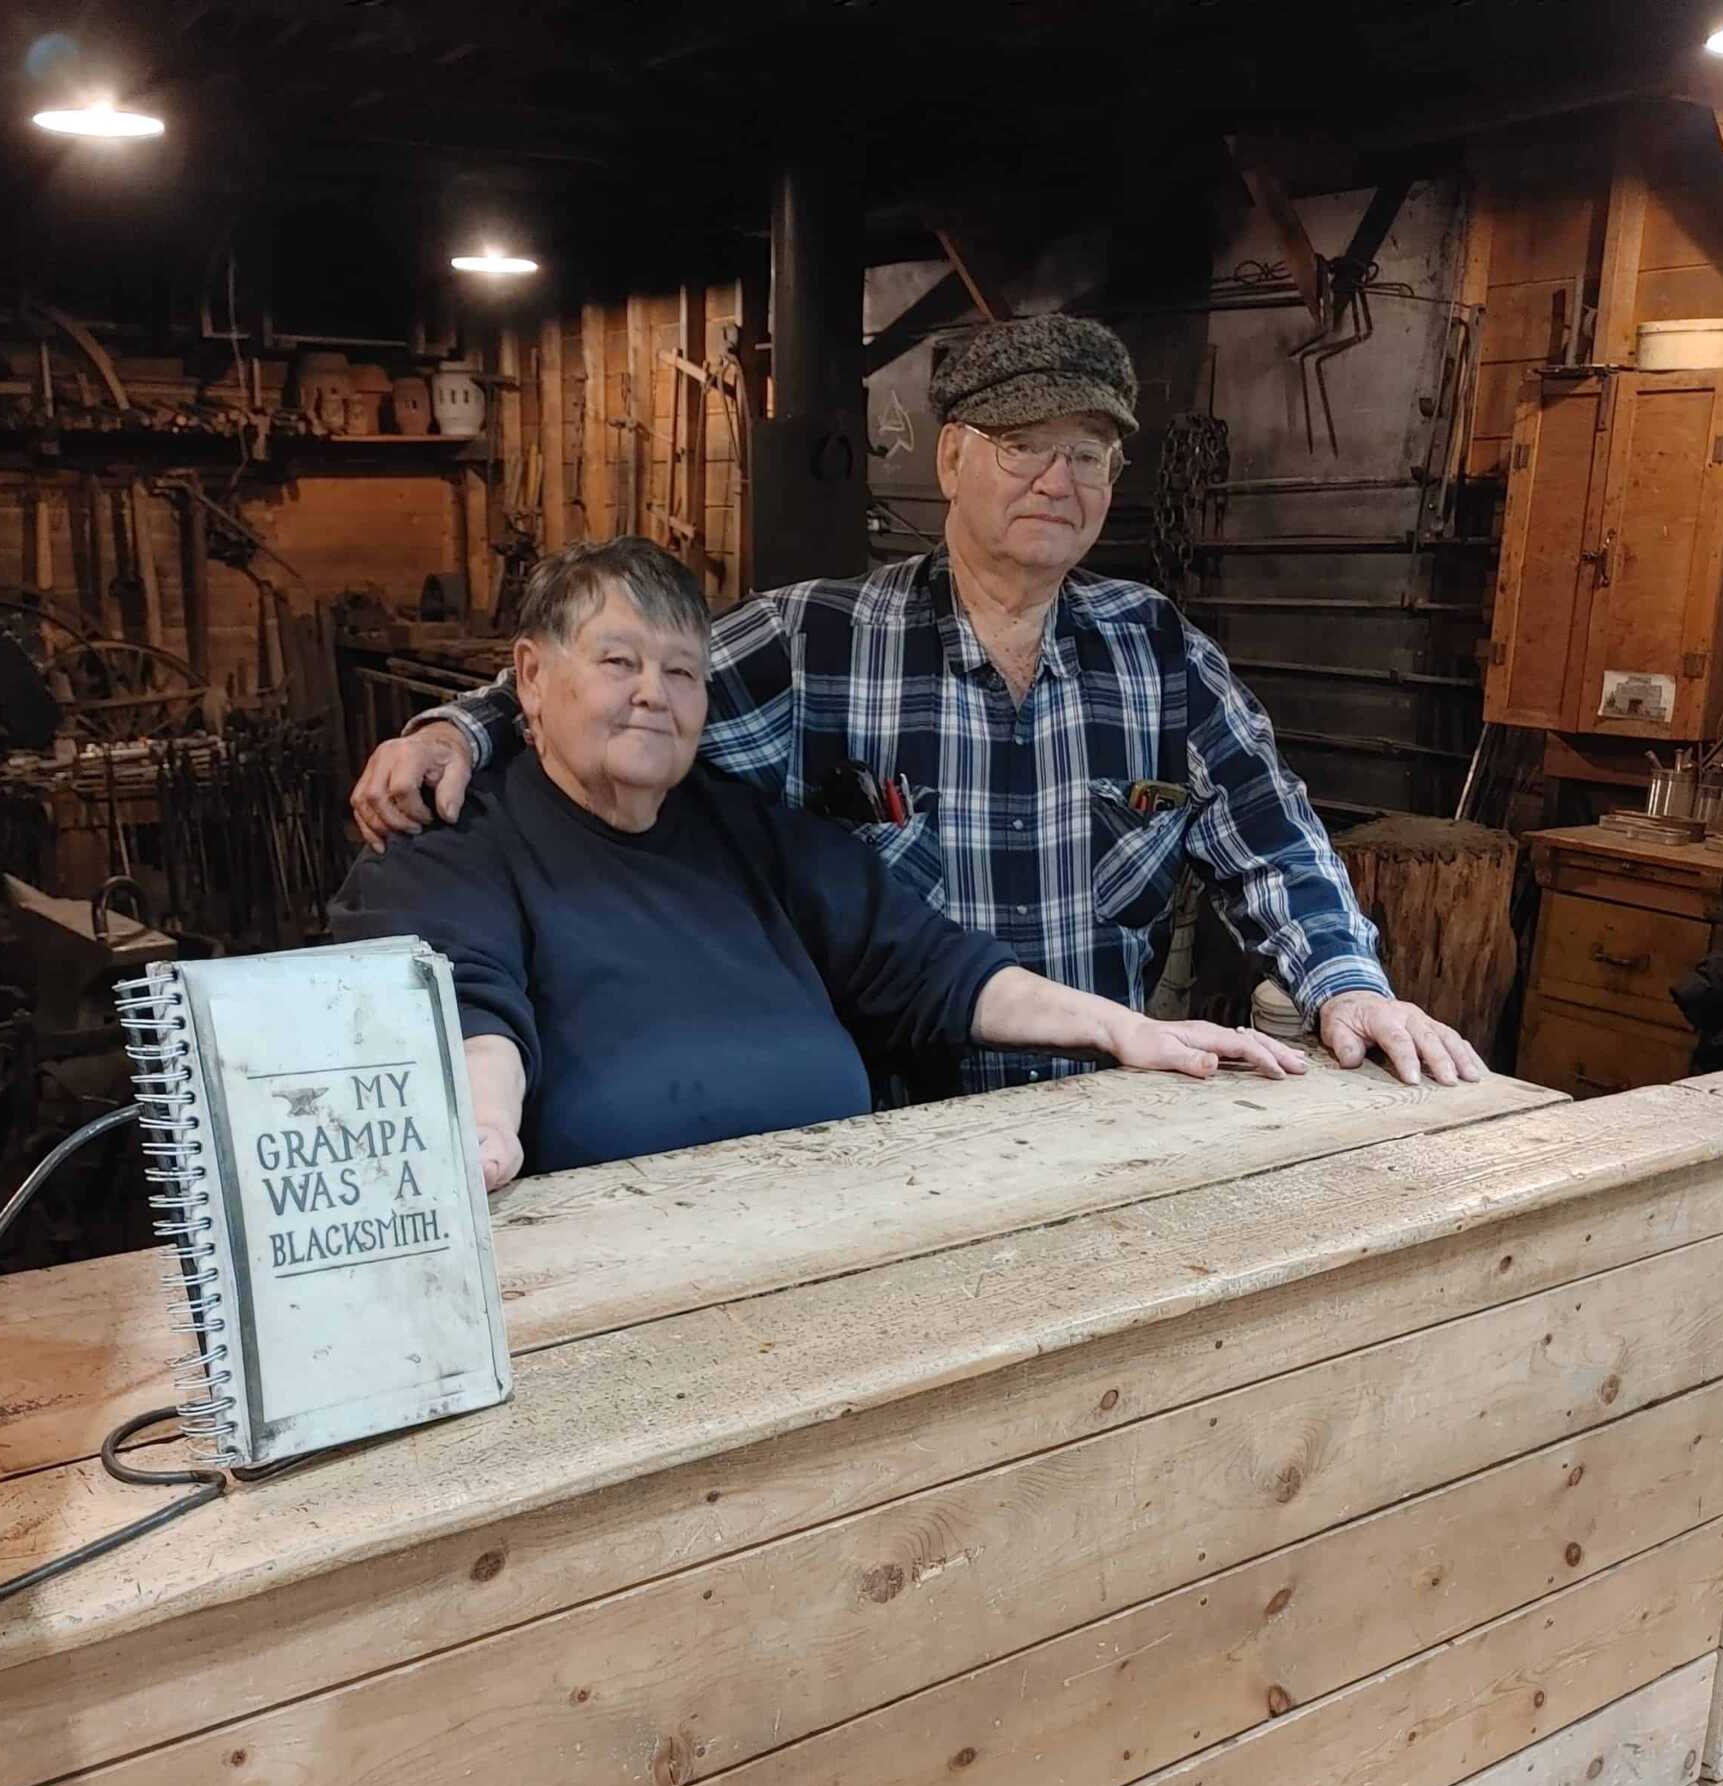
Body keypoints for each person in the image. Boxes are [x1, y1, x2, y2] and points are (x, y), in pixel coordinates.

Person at [350, 314, 1484, 1093]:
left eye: (1088, 455)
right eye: (1024, 446)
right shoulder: (817, 640)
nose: (1059, 480)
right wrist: (463, 724)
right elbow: (626, 689)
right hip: (892, 1132)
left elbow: (1276, 841)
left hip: (1119, 1108)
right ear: (950, 458)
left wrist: (1347, 984)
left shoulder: (1159, 652)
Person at [331, 539, 1305, 1188]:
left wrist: (1128, 1030)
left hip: (833, 1251)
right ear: (531, 680)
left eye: (680, 672)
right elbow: (469, 1008)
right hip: (608, 1306)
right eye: (617, 664)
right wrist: (482, 1133)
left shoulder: (747, 830)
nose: (654, 696)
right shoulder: (449, 847)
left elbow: (929, 963)